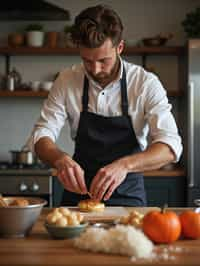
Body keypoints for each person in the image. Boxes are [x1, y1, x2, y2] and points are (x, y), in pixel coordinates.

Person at [28, 5, 182, 206]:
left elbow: (170, 146)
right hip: (78, 198)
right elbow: (41, 135)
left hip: (129, 198)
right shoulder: (66, 80)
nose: (95, 69)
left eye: (103, 60)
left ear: (120, 48)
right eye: (87, 61)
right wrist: (59, 159)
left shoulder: (145, 83)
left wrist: (125, 165)